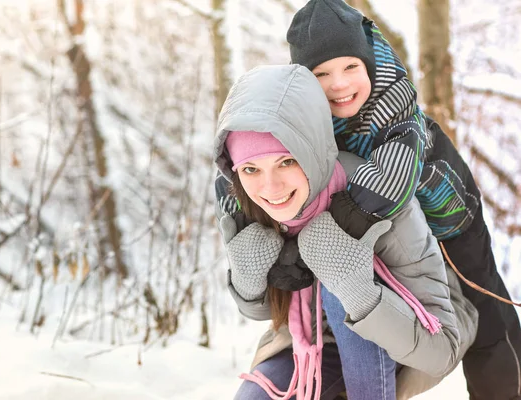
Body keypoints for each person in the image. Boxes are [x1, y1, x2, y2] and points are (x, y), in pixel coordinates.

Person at [282, 2, 521, 398]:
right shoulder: (308, 116)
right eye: (321, 73)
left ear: (368, 66)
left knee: (486, 316)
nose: (339, 84)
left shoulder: (393, 109)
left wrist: (324, 234)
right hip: (394, 235)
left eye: (350, 68)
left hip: (448, 218)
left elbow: (389, 183)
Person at [213, 64, 478, 400]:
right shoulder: (246, 202)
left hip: (405, 340)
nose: (271, 187)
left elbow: (441, 352)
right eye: (251, 168)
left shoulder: (377, 194)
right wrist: (248, 282)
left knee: (337, 278)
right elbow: (266, 311)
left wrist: (359, 293)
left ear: (311, 150)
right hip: (311, 342)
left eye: (286, 161)